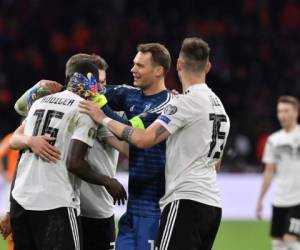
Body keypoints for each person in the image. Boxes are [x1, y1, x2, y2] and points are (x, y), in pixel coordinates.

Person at [79, 37, 230, 250]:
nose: (133, 69)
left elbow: (142, 137)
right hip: (187, 202)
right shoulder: (218, 106)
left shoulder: (178, 103)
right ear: (208, 66)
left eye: (140, 65)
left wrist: (101, 117)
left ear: (173, 66)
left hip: (167, 205)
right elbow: (216, 162)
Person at [9, 54, 128, 250]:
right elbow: (75, 163)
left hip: (24, 202)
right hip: (58, 201)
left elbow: (20, 146)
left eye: (104, 83)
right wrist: (109, 182)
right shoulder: (86, 110)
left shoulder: (40, 103)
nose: (101, 89)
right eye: (97, 83)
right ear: (88, 80)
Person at [256, 96, 300, 250]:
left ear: (296, 113)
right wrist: (260, 199)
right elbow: (269, 171)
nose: (282, 115)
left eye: (286, 111)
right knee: (278, 242)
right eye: (280, 111)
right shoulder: (273, 140)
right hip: (279, 199)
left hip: (297, 200)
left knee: (289, 239)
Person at [0, 133, 19, 250]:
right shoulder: (14, 136)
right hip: (15, 183)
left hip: (20, 183)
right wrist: (3, 174)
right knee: (12, 220)